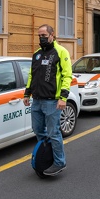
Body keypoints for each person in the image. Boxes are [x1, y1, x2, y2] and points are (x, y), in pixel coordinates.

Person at [23, 24, 72, 176]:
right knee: (37, 130)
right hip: (36, 100)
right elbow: (32, 75)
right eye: (39, 36)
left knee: (54, 133)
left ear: (52, 35)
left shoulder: (61, 51)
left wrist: (63, 97)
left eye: (44, 35)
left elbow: (67, 75)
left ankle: (59, 162)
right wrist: (27, 93)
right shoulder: (36, 54)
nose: (41, 38)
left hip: (52, 101)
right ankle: (46, 155)